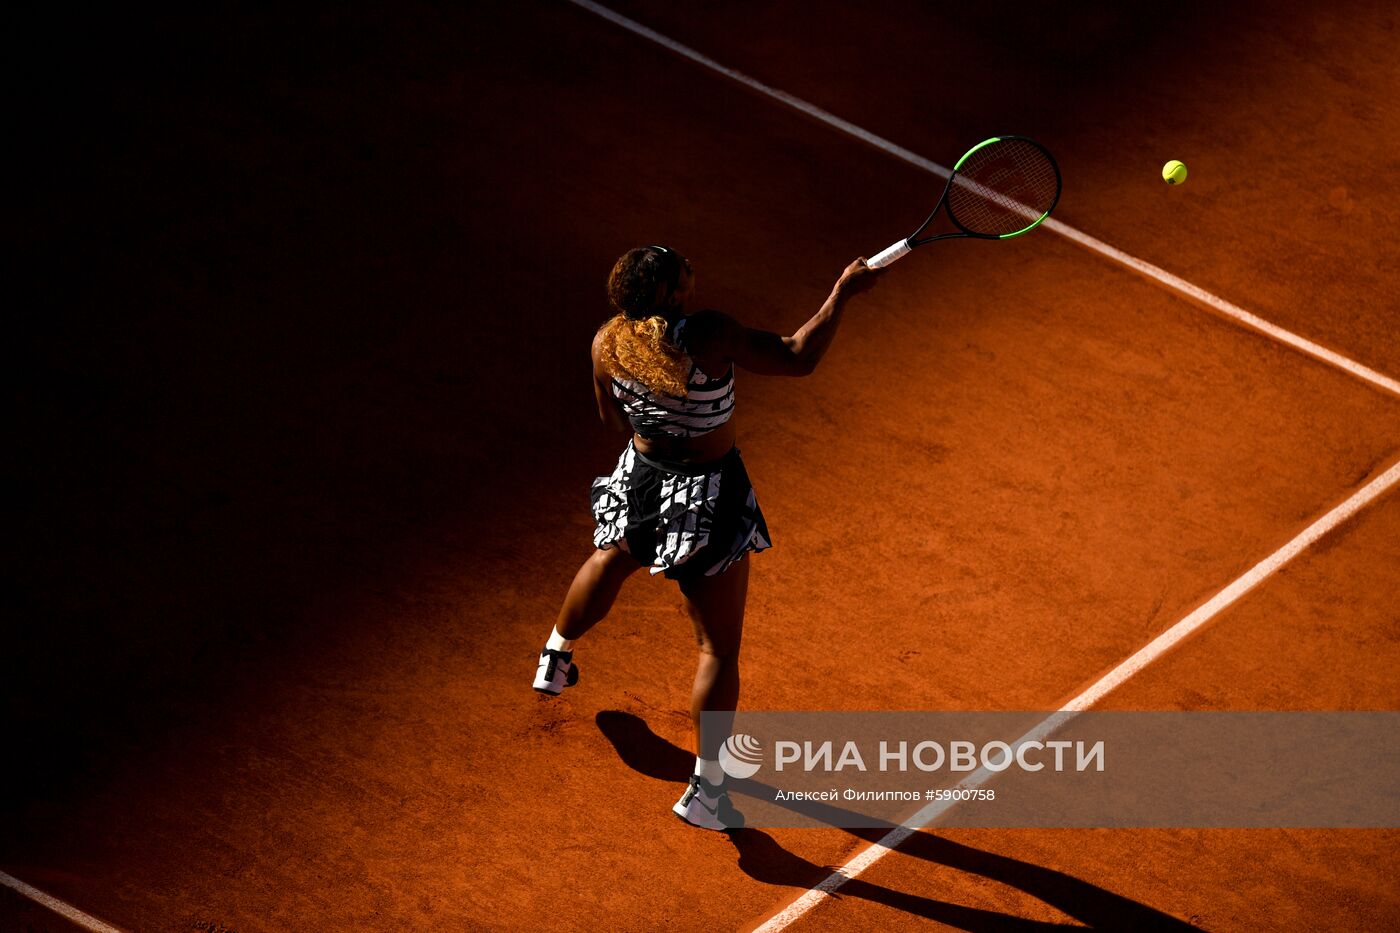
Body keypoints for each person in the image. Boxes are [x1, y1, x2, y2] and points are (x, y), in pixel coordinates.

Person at [533, 244, 879, 830]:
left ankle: (555, 658)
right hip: (708, 497)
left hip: (641, 476)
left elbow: (611, 421)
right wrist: (843, 292)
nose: (691, 268)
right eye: (681, 269)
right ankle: (707, 793)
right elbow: (798, 357)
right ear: (671, 295)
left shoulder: (607, 342)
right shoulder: (709, 334)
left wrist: (660, 419)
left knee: (612, 556)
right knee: (717, 649)